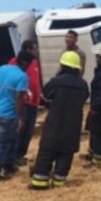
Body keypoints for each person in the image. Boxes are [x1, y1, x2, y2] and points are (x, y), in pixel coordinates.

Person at [28, 51, 89, 190]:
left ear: (63, 66)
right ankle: (59, 183)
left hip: (55, 122)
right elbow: (84, 98)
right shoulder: (83, 84)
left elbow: (46, 94)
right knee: (66, 153)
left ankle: (39, 183)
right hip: (73, 124)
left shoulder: (56, 81)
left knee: (47, 151)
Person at [0, 49, 34, 182]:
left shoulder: (2, 68)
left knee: (12, 139)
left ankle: (9, 165)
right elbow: (19, 98)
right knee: (2, 143)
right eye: (29, 64)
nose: (28, 67)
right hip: (8, 114)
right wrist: (22, 118)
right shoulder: (22, 77)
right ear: (24, 63)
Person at [8, 40, 42, 163]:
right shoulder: (14, 62)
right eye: (34, 49)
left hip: (34, 102)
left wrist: (40, 93)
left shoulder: (35, 63)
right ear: (28, 50)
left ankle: (21, 154)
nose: (36, 51)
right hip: (22, 101)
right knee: (20, 129)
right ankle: (14, 156)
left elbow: (36, 80)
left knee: (28, 130)